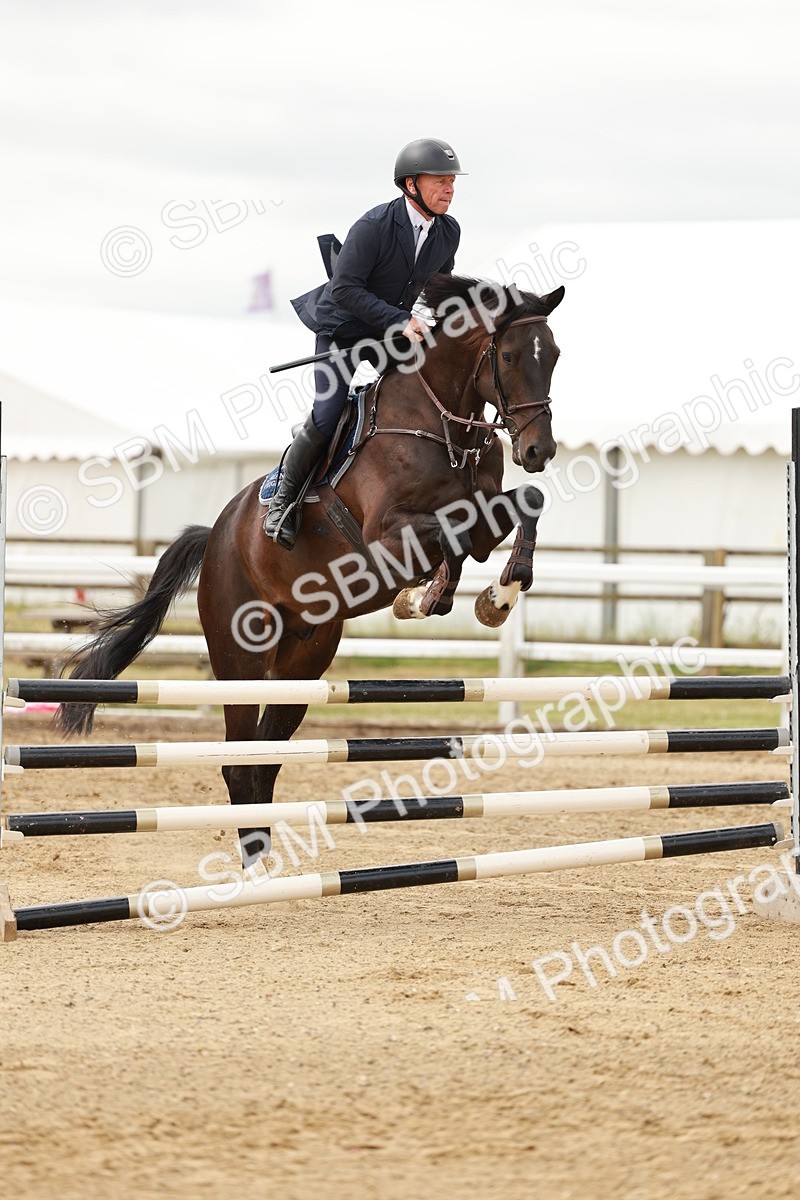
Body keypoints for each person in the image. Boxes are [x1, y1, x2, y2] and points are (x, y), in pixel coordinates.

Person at [265, 137, 465, 549]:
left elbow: (436, 288)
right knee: (326, 414)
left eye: (451, 181)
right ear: (411, 185)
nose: (449, 189)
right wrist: (399, 320)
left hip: (391, 331)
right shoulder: (374, 227)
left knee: (430, 389)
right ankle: (282, 499)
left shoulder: (448, 232)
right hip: (342, 329)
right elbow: (345, 291)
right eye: (440, 181)